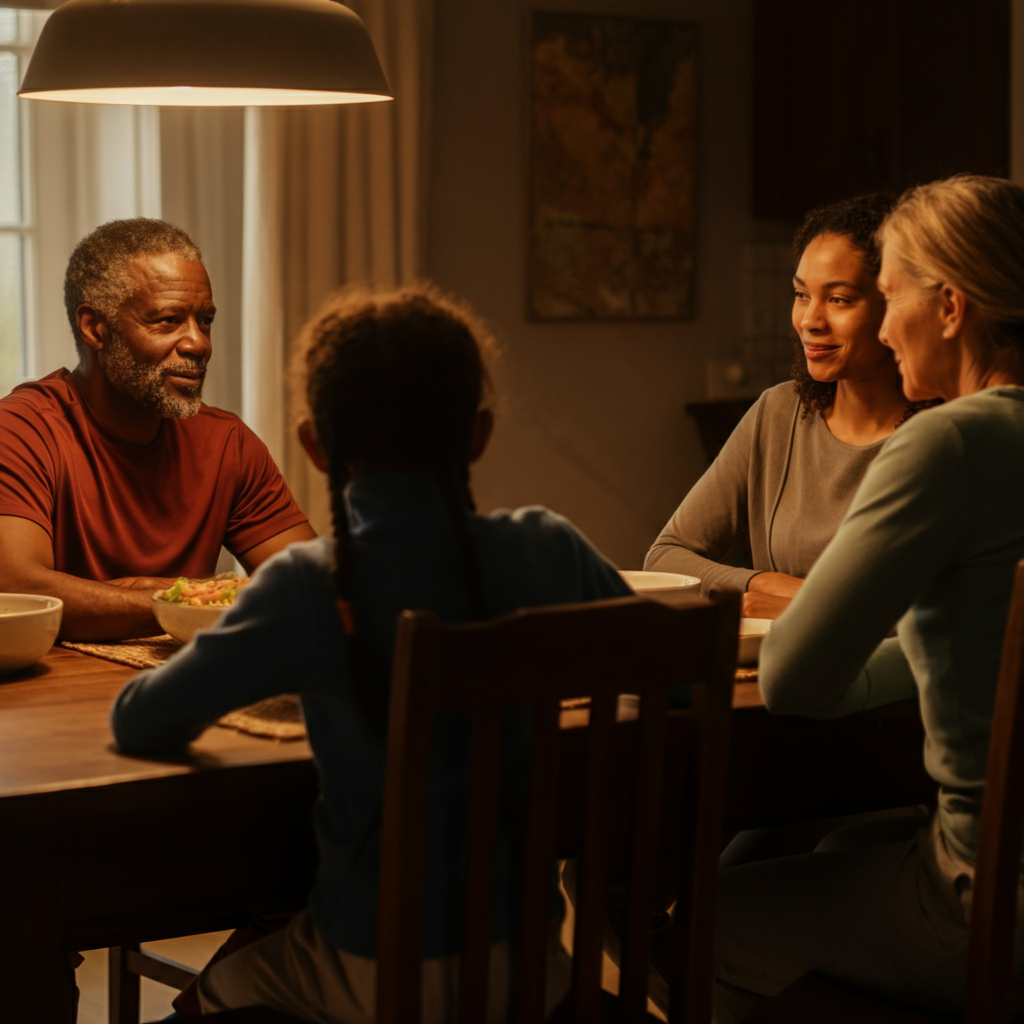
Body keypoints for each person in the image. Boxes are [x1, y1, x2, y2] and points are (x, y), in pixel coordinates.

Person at [109, 283, 633, 1022]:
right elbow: (671, 689)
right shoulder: (549, 548)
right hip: (533, 974)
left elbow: (141, 722)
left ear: (314, 446)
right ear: (478, 434)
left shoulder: (307, 585)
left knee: (214, 993)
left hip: (366, 972)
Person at [713, 174, 1024, 1022]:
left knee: (693, 918)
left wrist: (846, 648)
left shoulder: (949, 443)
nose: (884, 330)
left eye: (885, 299)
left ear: (952, 307)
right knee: (846, 839)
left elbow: (795, 682)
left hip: (980, 901)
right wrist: (909, 655)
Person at [0, 218, 314, 641]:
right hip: (56, 697)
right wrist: (184, 600)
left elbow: (314, 586)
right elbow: (17, 591)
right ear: (95, 328)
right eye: (168, 321)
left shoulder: (227, 443)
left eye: (205, 320)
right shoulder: (21, 430)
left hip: (185, 686)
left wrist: (163, 597)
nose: (198, 343)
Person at [646, 193, 937, 622]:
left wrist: (806, 605)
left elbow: (933, 614)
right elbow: (666, 558)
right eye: (801, 295)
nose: (810, 320)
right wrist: (764, 584)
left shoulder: (942, 435)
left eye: (839, 299)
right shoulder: (778, 413)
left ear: (894, 305)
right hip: (773, 678)